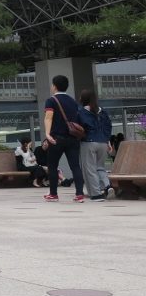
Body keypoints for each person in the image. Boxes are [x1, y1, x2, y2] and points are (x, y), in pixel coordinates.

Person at [42, 74, 85, 202]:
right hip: (73, 138)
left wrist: (47, 134)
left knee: (52, 166)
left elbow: (48, 117)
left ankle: (53, 194)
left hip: (57, 138)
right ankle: (79, 194)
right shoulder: (73, 101)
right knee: (75, 166)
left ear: (54, 86)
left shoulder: (51, 100)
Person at [78, 88, 113, 200]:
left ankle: (96, 194)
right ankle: (107, 186)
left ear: (83, 99)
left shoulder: (81, 112)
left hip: (89, 142)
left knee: (90, 169)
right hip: (103, 142)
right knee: (100, 167)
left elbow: (80, 127)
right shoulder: (102, 111)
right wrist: (108, 141)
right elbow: (108, 126)